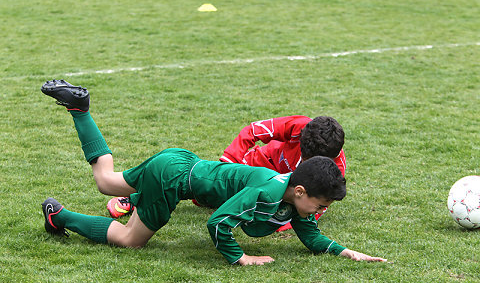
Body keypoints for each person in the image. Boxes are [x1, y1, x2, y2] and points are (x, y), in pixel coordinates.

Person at [40, 79, 386, 265]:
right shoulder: (267, 192)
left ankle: (79, 109)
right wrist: (241, 258)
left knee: (105, 181)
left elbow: (310, 234)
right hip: (175, 179)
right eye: (320, 203)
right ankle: (60, 216)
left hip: (179, 162)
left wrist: (349, 252)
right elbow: (217, 222)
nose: (320, 211)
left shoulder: (291, 194)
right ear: (300, 192)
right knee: (130, 240)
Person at [107, 116, 348, 230]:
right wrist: (229, 162)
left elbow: (315, 207)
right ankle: (135, 198)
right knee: (204, 195)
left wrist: (281, 223)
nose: (303, 162)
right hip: (257, 166)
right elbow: (253, 131)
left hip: (281, 190)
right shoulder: (300, 126)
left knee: (218, 202)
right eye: (303, 155)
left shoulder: (334, 172)